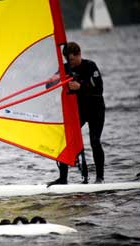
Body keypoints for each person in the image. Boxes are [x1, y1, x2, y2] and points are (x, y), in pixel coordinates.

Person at [48, 41, 105, 185]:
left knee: (94, 141)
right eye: (67, 59)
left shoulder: (90, 66)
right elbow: (48, 85)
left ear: (78, 54)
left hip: (95, 109)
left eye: (72, 59)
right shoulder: (66, 68)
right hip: (79, 111)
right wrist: (56, 79)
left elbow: (99, 89)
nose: (70, 62)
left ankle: (99, 178)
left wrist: (81, 86)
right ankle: (63, 179)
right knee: (64, 140)